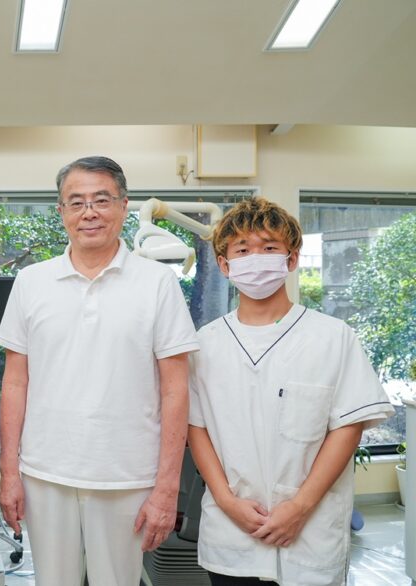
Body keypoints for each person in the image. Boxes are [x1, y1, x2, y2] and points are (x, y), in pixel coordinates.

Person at [0, 156, 200, 585]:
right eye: (77, 202)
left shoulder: (157, 283)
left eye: (101, 200)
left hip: (128, 475)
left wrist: (167, 488)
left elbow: (175, 389)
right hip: (45, 472)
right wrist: (9, 473)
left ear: (123, 207)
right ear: (62, 212)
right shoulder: (31, 282)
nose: (89, 212)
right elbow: (15, 382)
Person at [187, 197, 394, 586]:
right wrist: (228, 502)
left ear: (292, 259)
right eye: (243, 250)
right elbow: (196, 427)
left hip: (310, 533)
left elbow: (347, 427)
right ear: (224, 265)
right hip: (232, 532)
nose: (256, 259)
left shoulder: (333, 337)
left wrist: (300, 506)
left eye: (269, 248)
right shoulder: (205, 344)